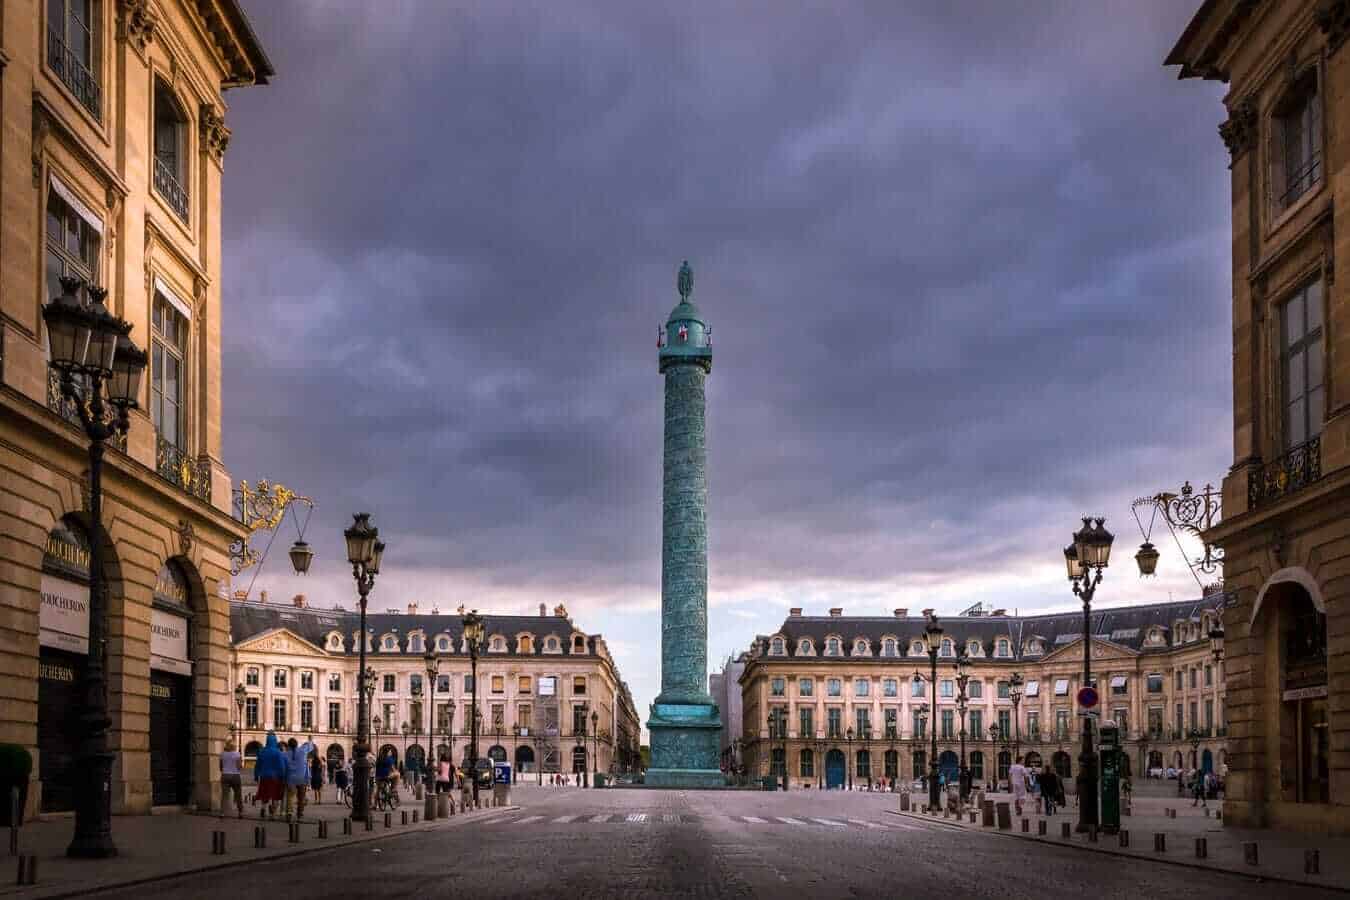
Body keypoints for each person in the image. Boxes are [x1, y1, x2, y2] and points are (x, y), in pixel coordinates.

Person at [253, 732, 286, 819]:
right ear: (275, 741)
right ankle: (273, 813)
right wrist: (283, 776)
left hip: (264, 777)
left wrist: (256, 775)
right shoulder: (278, 752)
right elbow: (281, 766)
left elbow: (257, 766)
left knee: (265, 794)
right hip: (275, 777)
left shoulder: (262, 752)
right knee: (275, 795)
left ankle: (263, 808)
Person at [285, 737, 314, 820]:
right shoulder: (303, 751)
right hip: (301, 778)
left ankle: (289, 813)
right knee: (301, 797)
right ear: (297, 744)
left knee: (290, 797)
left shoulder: (286, 754)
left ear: (289, 746)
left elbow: (284, 766)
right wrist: (310, 739)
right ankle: (299, 813)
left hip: (290, 779)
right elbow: (310, 746)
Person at [219, 739, 244, 818]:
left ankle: (222, 813)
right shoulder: (237, 754)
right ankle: (240, 813)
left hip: (225, 775)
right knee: (238, 795)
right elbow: (239, 767)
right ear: (234, 746)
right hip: (235, 776)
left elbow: (220, 767)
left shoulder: (222, 754)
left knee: (224, 795)